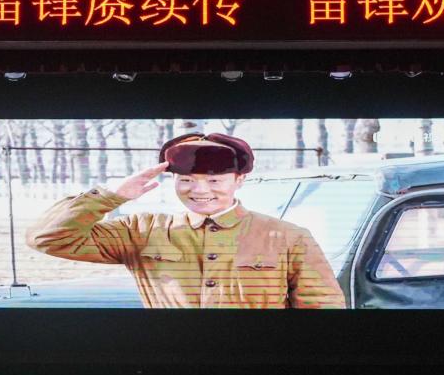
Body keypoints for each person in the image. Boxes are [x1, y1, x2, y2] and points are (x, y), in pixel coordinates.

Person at [26, 132, 345, 309]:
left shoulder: (287, 236)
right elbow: (47, 238)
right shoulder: (141, 231)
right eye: (187, 180)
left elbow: (321, 307)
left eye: (215, 180)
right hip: (169, 367)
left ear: (239, 180)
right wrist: (111, 195)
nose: (200, 191)